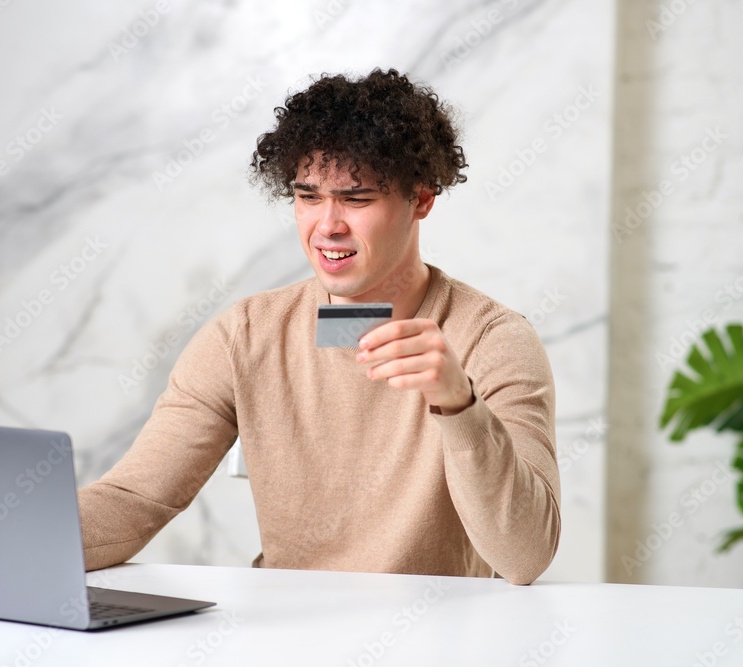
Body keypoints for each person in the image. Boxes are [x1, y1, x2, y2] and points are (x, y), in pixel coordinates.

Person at [77, 67, 559, 585]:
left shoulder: (493, 339)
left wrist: (459, 405)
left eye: (356, 199)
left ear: (421, 199)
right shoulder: (245, 335)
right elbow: (134, 500)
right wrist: (16, 534)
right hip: (284, 624)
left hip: (434, 628)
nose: (327, 226)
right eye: (309, 197)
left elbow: (525, 556)